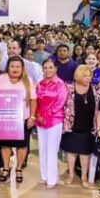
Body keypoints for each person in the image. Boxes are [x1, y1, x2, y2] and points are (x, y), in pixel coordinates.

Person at [0, 56, 37, 185]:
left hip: (23, 119)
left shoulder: (28, 80)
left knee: (22, 145)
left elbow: (33, 100)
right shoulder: (0, 79)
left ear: (22, 68)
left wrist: (32, 117)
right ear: (8, 68)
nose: (15, 69)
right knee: (5, 144)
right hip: (5, 119)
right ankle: (6, 168)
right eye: (12, 66)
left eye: (18, 66)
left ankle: (19, 168)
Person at [61, 64, 99, 187]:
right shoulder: (68, 87)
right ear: (78, 76)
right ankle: (71, 175)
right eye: (85, 76)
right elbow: (62, 104)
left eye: (89, 76)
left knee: (85, 153)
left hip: (88, 126)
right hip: (72, 125)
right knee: (71, 152)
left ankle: (84, 177)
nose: (88, 78)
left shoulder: (95, 89)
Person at [34, 58, 68, 189]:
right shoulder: (40, 84)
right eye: (45, 68)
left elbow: (60, 103)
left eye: (50, 67)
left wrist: (45, 115)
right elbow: (36, 101)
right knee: (42, 149)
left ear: (56, 69)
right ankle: (44, 176)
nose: (48, 70)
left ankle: (52, 179)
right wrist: (38, 115)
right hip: (40, 121)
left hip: (54, 120)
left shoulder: (60, 84)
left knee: (52, 150)